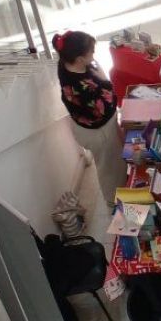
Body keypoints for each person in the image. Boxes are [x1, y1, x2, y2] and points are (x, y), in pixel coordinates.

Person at [52, 31, 124, 206]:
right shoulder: (81, 88)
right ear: (79, 59)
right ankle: (113, 200)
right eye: (91, 52)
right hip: (99, 132)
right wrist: (105, 80)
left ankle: (119, 189)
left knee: (113, 162)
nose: (93, 55)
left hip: (89, 126)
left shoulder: (66, 63)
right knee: (110, 169)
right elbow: (105, 104)